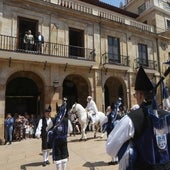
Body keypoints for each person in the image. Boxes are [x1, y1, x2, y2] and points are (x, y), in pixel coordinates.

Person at [106, 66, 170, 170]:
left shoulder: (130, 119)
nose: (136, 97)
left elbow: (110, 149)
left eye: (135, 95)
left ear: (140, 95)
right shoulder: (168, 115)